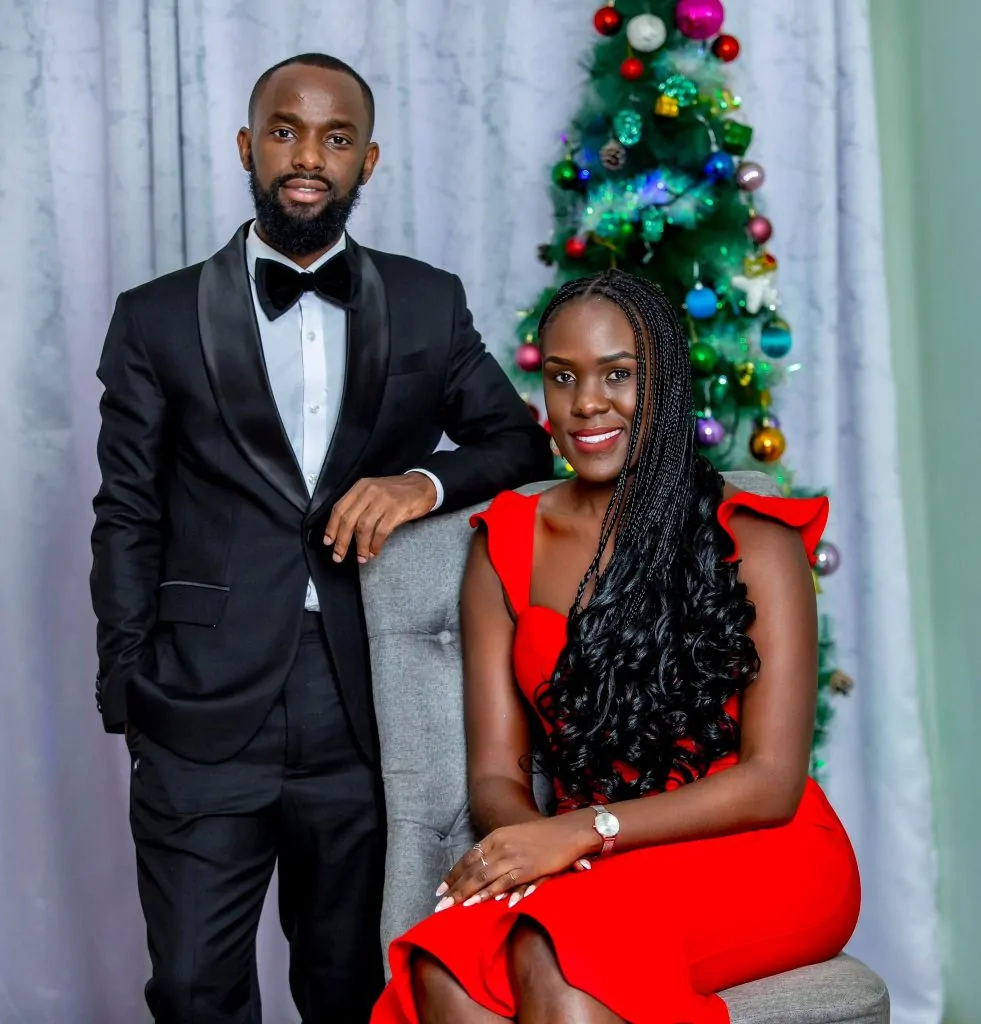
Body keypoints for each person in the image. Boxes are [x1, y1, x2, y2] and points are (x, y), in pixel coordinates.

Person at [89, 52, 552, 1024]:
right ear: (247, 146)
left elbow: (516, 441)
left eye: (336, 138)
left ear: (367, 161)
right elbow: (127, 511)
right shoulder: (154, 318)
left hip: (363, 693)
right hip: (201, 698)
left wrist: (422, 481)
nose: (309, 156)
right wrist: (131, 685)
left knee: (349, 987)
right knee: (193, 987)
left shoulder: (426, 301)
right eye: (285, 131)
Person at [371, 270, 860, 1024]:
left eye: (618, 374)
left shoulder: (758, 541)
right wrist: (540, 847)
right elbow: (495, 774)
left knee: (555, 954)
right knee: (444, 969)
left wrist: (585, 834)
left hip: (761, 846)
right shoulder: (507, 543)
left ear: (663, 382)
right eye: (562, 377)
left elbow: (771, 784)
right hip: (587, 855)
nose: (586, 403)